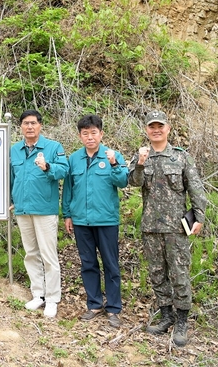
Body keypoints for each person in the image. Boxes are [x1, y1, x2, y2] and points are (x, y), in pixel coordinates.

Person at [127, 110, 207, 347]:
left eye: (160, 126)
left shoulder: (181, 158)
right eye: (151, 126)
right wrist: (140, 164)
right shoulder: (141, 156)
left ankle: (182, 320)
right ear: (146, 130)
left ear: (168, 128)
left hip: (176, 228)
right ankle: (166, 315)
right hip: (151, 227)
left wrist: (199, 217)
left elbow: (196, 188)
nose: (156, 130)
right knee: (157, 273)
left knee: (179, 273)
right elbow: (133, 182)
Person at [62, 115, 128, 328]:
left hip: (106, 220)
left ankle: (114, 308)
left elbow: (123, 182)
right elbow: (69, 189)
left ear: (101, 134)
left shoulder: (113, 155)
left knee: (111, 264)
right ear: (80, 135)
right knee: (88, 264)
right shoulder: (74, 159)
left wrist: (115, 164)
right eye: (85, 133)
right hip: (81, 220)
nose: (89, 137)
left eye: (93, 133)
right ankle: (94, 304)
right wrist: (68, 215)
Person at [10, 109, 69, 318]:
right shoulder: (15, 150)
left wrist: (47, 167)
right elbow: (11, 177)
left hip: (45, 209)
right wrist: (10, 199)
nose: (29, 127)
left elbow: (64, 171)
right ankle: (38, 294)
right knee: (31, 253)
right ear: (21, 127)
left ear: (40, 125)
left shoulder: (53, 148)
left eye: (33, 123)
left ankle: (53, 298)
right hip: (23, 209)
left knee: (48, 255)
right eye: (25, 123)